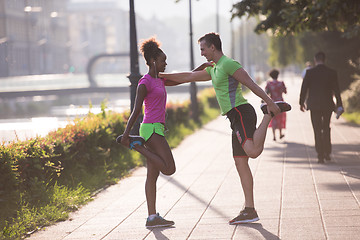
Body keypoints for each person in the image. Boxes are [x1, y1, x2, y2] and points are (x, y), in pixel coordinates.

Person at [159, 32, 291, 224]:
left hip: (241, 112)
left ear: (213, 47)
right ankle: (249, 209)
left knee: (252, 152)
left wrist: (270, 103)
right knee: (240, 163)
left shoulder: (228, 64)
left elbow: (251, 84)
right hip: (233, 117)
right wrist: (158, 77)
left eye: (203, 49)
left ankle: (268, 116)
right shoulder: (214, 69)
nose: (202, 53)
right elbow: (188, 76)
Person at [117, 37, 181, 228]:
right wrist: (127, 134)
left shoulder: (160, 80)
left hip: (156, 128)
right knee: (169, 168)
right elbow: (136, 110)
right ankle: (136, 145)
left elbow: (181, 80)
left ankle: (152, 217)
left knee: (151, 176)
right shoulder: (145, 82)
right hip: (150, 129)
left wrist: (200, 71)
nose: (165, 64)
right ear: (153, 61)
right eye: (163, 61)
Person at [299, 51, 343, 163]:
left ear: (315, 60)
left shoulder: (310, 73)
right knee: (326, 128)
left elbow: (304, 89)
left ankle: (320, 154)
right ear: (324, 59)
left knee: (317, 129)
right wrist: (339, 105)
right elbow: (337, 90)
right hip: (328, 104)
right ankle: (327, 152)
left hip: (314, 105)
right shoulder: (331, 72)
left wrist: (301, 102)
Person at [265, 69, 288, 141]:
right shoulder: (281, 83)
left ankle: (274, 136)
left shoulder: (269, 84)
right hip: (281, 103)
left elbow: (266, 93)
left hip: (272, 103)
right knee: (280, 119)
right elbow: (285, 91)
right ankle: (280, 134)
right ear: (278, 75)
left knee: (273, 119)